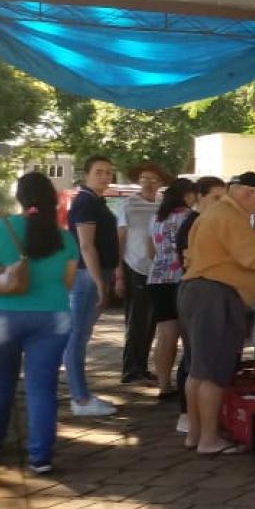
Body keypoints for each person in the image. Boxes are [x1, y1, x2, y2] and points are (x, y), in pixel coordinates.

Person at [179, 172, 255, 455]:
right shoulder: (231, 217)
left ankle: (195, 434)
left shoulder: (209, 214)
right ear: (247, 193)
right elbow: (254, 257)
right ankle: (208, 439)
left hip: (195, 290)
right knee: (213, 373)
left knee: (197, 369)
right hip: (216, 295)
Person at [0, 173, 79, 473]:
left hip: (1, 315)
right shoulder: (65, 238)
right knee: (42, 387)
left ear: (20, 197)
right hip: (52, 318)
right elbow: (68, 283)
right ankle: (40, 457)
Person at [63, 155, 121, 417]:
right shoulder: (85, 202)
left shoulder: (96, 200)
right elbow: (86, 246)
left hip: (95, 274)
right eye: (99, 172)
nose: (105, 176)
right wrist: (100, 282)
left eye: (109, 172)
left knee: (80, 335)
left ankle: (81, 395)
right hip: (87, 276)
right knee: (77, 336)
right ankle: (80, 398)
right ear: (86, 175)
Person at [173, 176, 226, 436]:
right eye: (216, 198)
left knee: (196, 361)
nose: (221, 204)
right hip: (199, 294)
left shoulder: (204, 222)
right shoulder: (194, 225)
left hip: (197, 293)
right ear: (199, 197)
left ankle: (195, 426)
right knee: (196, 363)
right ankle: (189, 417)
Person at [117, 162, 170, 384]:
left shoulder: (162, 206)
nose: (148, 183)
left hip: (157, 271)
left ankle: (142, 367)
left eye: (153, 179)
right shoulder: (127, 205)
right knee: (136, 321)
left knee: (151, 321)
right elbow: (120, 240)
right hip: (134, 267)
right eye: (144, 179)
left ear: (160, 183)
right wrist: (118, 273)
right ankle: (131, 370)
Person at [147, 179, 198, 399]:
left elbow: (150, 251)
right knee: (188, 334)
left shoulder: (156, 219)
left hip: (157, 278)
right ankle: (188, 382)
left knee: (165, 333)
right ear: (187, 195)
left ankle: (164, 384)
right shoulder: (191, 218)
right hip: (183, 278)